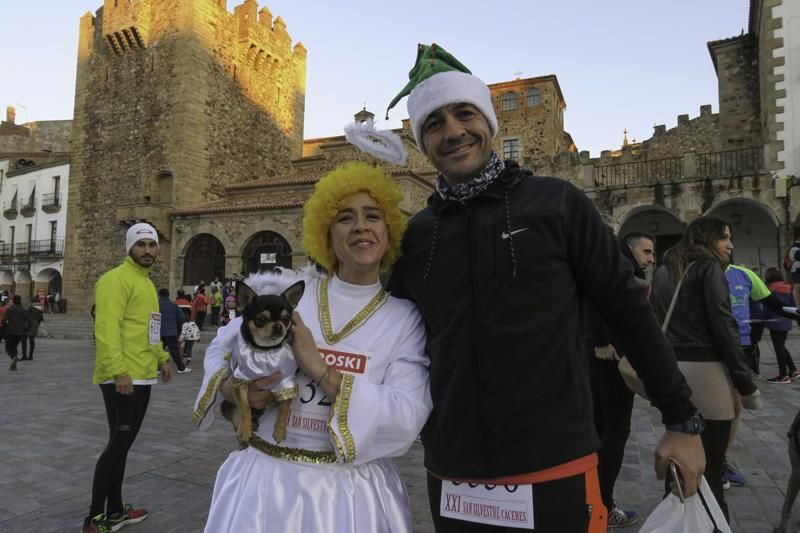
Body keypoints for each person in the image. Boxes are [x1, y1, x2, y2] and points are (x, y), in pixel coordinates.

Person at [383, 44, 704, 533]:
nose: (452, 132)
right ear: (422, 142)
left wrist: (681, 419)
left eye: (464, 114)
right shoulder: (418, 235)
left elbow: (626, 309)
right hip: (453, 470)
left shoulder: (555, 203)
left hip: (554, 459)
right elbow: (379, 329)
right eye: (433, 123)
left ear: (488, 123)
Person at [193, 162, 431, 533]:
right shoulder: (291, 295)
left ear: (389, 232)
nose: (361, 227)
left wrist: (319, 369)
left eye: (373, 216)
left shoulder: (405, 319)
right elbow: (222, 347)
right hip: (264, 488)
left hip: (352, 498)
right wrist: (232, 389)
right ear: (327, 233)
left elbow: (407, 414)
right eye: (345, 218)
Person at [651, 216, 761, 521]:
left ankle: (675, 522)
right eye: (725, 237)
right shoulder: (708, 267)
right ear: (708, 238)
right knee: (710, 465)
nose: (730, 245)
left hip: (675, 371)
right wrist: (744, 381)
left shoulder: (663, 270)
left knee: (680, 462)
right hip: (707, 372)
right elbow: (724, 326)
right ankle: (712, 525)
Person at [82, 222, 173, 533]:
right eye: (141, 244)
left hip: (143, 375)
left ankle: (117, 509)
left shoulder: (146, 284)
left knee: (122, 445)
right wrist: (119, 371)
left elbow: (149, 328)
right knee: (118, 445)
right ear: (129, 248)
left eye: (152, 244)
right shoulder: (114, 280)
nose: (148, 250)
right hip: (123, 377)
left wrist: (162, 358)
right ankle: (95, 517)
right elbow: (105, 330)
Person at [585, 231, 655, 528]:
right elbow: (596, 297)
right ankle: (603, 502)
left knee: (600, 429)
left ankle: (592, 500)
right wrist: (601, 340)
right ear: (629, 248)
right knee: (614, 431)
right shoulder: (618, 266)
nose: (651, 259)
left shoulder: (611, 263)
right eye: (647, 252)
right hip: (609, 358)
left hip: (597, 356)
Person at [761, 267, 800, 383]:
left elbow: (769, 307)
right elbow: (793, 306)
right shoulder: (788, 288)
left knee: (778, 348)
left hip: (775, 323)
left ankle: (783, 375)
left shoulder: (770, 290)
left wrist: (764, 319)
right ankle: (793, 370)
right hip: (786, 322)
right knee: (782, 347)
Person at [158, 288, 189, 373]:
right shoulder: (174, 305)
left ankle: (157, 368)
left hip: (159, 333)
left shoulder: (157, 305)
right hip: (171, 332)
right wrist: (178, 329)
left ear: (159, 295)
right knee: (175, 351)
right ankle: (181, 368)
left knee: (157, 350)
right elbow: (181, 318)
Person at [3, 295, 31, 371]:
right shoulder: (24, 310)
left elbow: (4, 320)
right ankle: (14, 365)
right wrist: (25, 329)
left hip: (11, 331)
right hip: (20, 332)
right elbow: (30, 322)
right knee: (14, 346)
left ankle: (13, 357)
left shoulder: (10, 309)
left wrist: (6, 326)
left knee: (8, 347)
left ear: (13, 301)